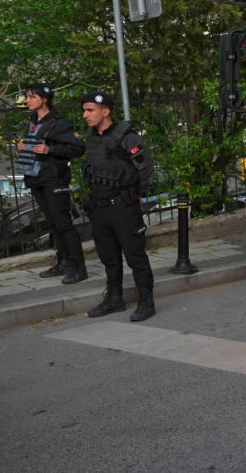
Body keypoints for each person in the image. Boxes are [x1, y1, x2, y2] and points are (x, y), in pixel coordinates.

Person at [80, 92, 157, 322]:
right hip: (99, 208)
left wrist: (133, 195)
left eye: (90, 110)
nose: (85, 115)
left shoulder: (127, 138)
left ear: (105, 111)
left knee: (135, 256)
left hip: (123, 208)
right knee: (109, 257)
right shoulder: (91, 138)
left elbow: (145, 168)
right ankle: (114, 299)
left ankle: (146, 302)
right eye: (84, 110)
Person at [14, 83, 87, 283]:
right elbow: (35, 146)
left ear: (44, 99)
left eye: (31, 96)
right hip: (36, 178)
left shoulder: (58, 123)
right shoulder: (32, 122)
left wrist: (50, 150)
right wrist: (23, 147)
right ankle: (64, 263)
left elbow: (78, 148)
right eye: (26, 96)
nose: (27, 100)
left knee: (63, 223)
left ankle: (79, 268)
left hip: (54, 179)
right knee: (54, 224)